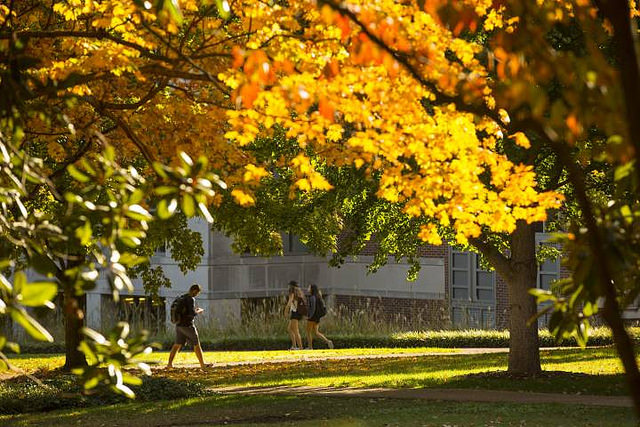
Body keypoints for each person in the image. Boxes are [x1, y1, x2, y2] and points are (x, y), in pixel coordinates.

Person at [167, 284, 208, 368]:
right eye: (197, 293)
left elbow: (185, 312)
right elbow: (191, 314)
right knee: (196, 344)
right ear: (195, 291)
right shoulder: (190, 299)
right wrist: (198, 311)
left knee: (177, 344)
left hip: (179, 325)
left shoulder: (182, 297)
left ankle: (169, 364)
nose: (197, 294)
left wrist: (193, 311)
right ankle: (202, 364)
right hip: (188, 326)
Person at [305, 284, 333, 350]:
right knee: (316, 332)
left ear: (312, 289)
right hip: (317, 318)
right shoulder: (319, 296)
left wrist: (309, 316)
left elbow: (312, 308)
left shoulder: (312, 297)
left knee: (308, 332)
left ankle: (310, 347)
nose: (308, 288)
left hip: (312, 317)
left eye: (309, 287)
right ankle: (328, 341)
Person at [284, 280, 304, 350]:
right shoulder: (298, 293)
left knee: (296, 331)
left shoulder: (292, 292)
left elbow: (290, 302)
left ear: (291, 286)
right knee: (289, 329)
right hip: (296, 312)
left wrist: (286, 310)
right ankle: (294, 346)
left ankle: (300, 347)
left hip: (295, 313)